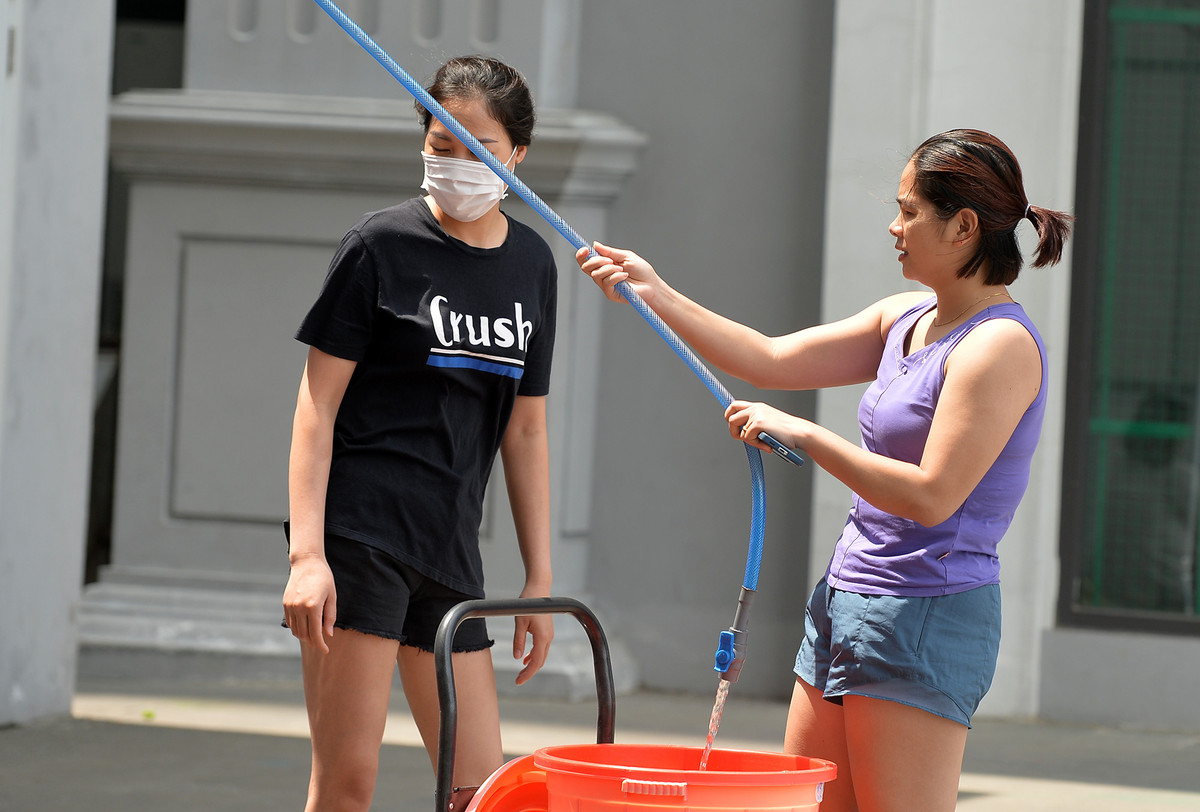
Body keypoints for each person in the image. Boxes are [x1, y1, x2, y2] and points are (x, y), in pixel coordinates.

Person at [577, 129, 1071, 812]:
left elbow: (933, 498)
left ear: (962, 227)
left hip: (923, 614)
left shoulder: (998, 347)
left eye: (909, 211)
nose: (893, 227)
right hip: (844, 599)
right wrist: (653, 290)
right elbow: (770, 360)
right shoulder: (906, 317)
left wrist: (808, 435)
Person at [284, 56, 558, 812]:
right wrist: (308, 556)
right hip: (360, 539)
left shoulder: (533, 264)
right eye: (441, 144)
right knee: (347, 782)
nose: (456, 162)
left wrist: (538, 580)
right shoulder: (378, 246)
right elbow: (316, 407)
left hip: (449, 547)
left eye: (478, 148)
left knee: (484, 793)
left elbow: (526, 431)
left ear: (518, 156)